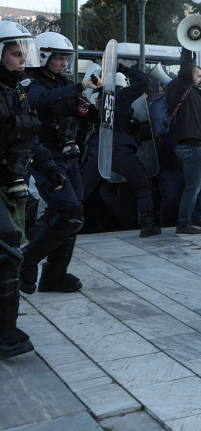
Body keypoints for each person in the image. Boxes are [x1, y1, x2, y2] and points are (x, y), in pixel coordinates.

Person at [0, 23, 65, 358]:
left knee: (9, 251)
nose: (22, 59)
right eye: (15, 53)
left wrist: (50, 167)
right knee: (7, 249)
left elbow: (28, 137)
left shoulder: (16, 91)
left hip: (11, 182)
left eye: (24, 52)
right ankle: (6, 332)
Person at [19, 32, 101, 293]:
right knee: (68, 211)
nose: (64, 63)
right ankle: (26, 259)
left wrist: (98, 107)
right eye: (60, 58)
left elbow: (77, 115)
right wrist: (80, 87)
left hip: (70, 156)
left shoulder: (62, 82)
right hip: (45, 156)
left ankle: (54, 275)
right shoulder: (29, 81)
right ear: (43, 56)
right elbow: (40, 99)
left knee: (73, 216)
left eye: (66, 58)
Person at [80, 64, 161, 238]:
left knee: (82, 192)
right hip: (119, 149)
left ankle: (57, 223)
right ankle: (147, 224)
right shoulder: (120, 96)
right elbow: (144, 81)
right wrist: (123, 67)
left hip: (98, 149)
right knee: (142, 184)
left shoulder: (98, 100)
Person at [166, 50, 201, 235]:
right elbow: (185, 72)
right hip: (192, 145)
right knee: (193, 187)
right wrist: (187, 53)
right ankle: (184, 224)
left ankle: (196, 216)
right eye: (198, 75)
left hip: (198, 145)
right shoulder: (180, 86)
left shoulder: (193, 92)